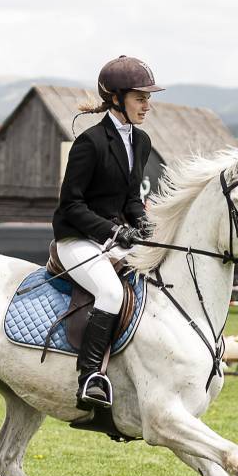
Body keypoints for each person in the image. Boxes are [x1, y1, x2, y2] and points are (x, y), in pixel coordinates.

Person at [51, 54, 161, 409]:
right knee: (111, 293)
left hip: (114, 240)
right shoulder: (90, 143)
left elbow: (131, 197)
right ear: (116, 98)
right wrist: (113, 231)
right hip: (77, 240)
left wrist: (142, 223)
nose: (147, 105)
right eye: (140, 98)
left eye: (148, 98)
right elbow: (71, 205)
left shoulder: (140, 142)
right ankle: (91, 378)